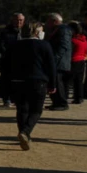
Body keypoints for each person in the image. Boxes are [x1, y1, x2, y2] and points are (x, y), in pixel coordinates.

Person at [8, 22, 57, 150]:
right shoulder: (44, 45)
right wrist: (53, 84)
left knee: (22, 109)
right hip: (38, 81)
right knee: (36, 110)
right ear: (36, 32)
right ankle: (25, 132)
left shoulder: (15, 45)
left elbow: (4, 63)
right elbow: (51, 66)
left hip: (18, 81)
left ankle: (24, 134)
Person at [0, 12, 25, 107]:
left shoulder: (25, 31)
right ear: (13, 20)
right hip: (7, 60)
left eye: (21, 20)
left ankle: (14, 98)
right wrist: (8, 55)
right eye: (17, 20)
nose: (18, 22)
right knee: (6, 80)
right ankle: (6, 98)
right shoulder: (6, 31)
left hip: (21, 61)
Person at [45, 13, 72, 110]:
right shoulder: (56, 30)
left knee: (57, 82)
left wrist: (54, 59)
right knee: (55, 82)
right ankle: (56, 102)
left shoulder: (63, 30)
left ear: (54, 21)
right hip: (58, 60)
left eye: (48, 21)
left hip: (60, 62)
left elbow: (63, 46)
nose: (46, 23)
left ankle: (61, 104)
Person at [69, 21, 87, 104]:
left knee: (67, 81)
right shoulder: (84, 39)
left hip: (73, 61)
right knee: (79, 81)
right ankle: (79, 97)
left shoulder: (73, 40)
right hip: (81, 60)